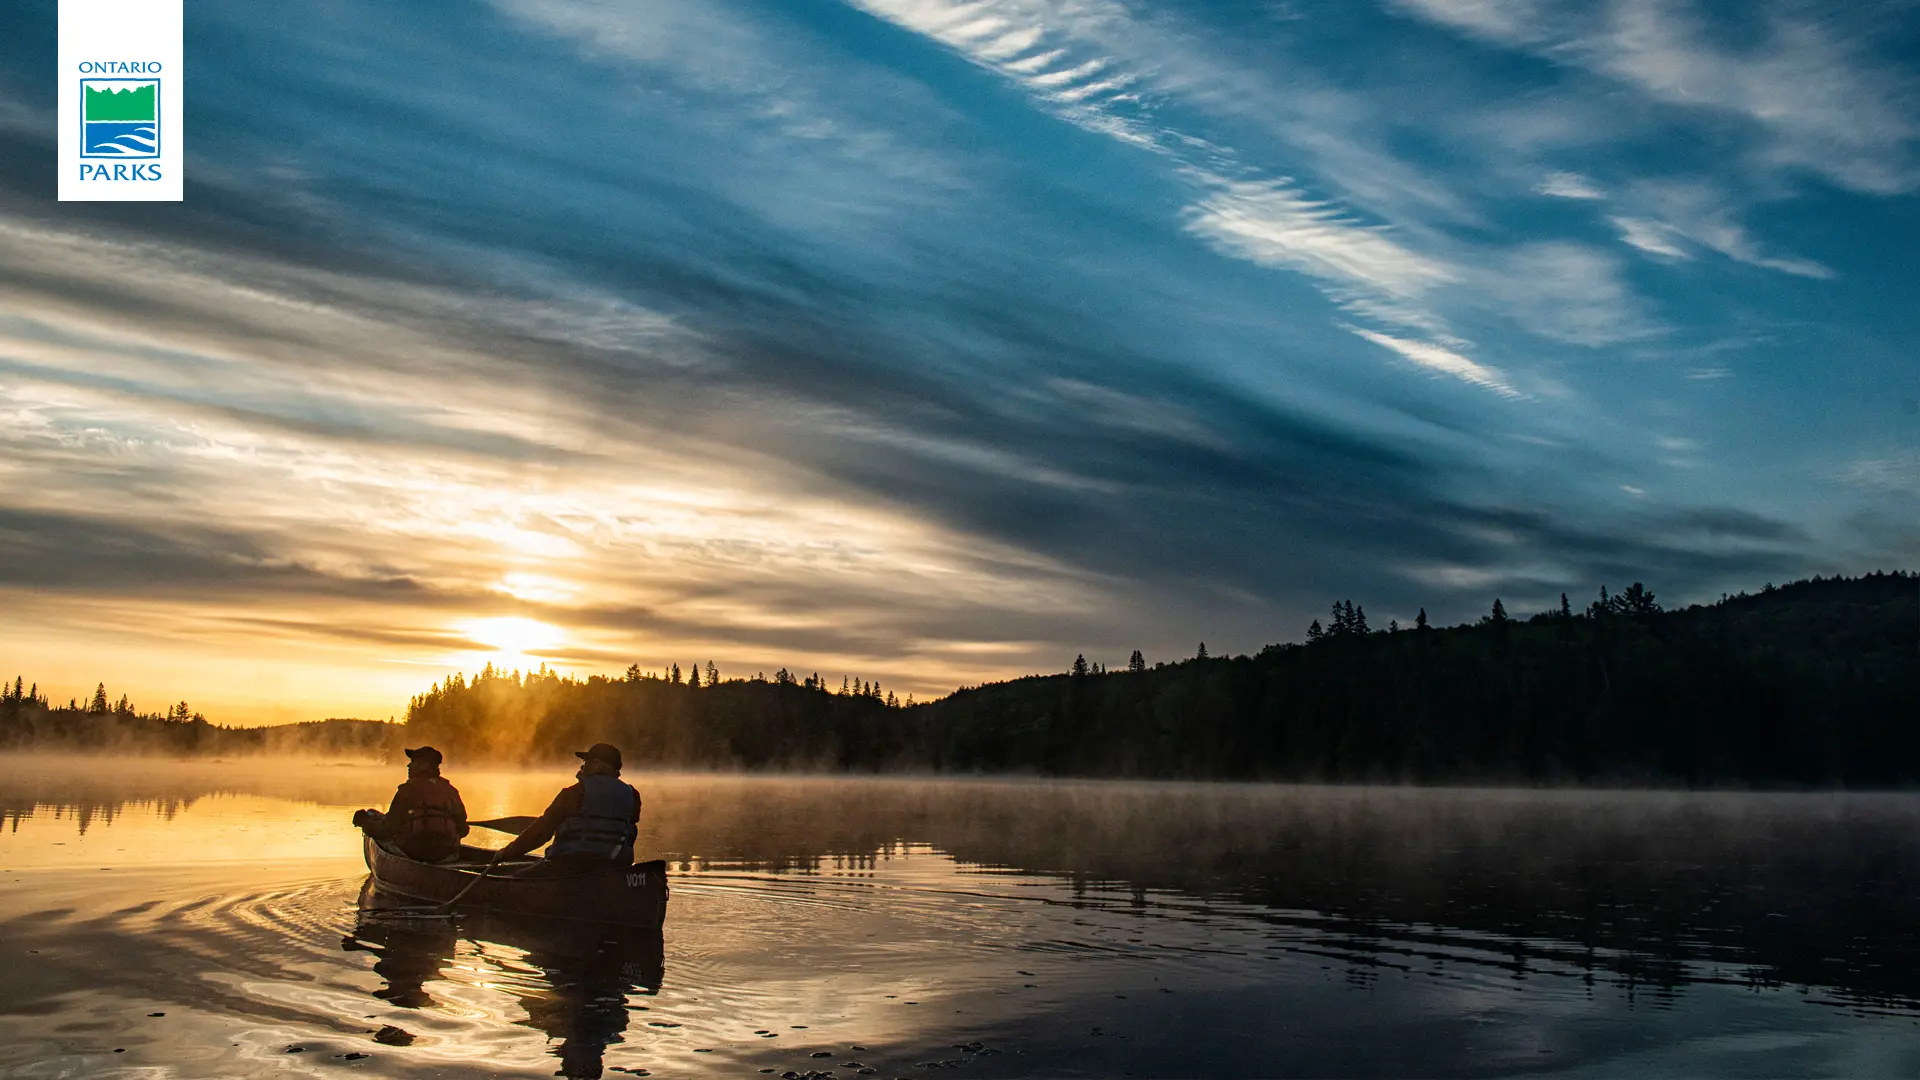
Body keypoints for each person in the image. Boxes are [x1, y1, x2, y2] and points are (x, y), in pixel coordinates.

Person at [493, 743, 640, 878]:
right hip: (614, 867)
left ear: (597, 766)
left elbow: (540, 833)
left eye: (586, 762)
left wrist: (506, 853)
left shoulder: (574, 793)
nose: (583, 766)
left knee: (517, 878)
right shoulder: (632, 795)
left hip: (570, 866)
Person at [352, 745, 470, 863]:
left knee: (381, 839)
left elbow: (388, 828)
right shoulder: (450, 791)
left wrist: (365, 823)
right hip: (446, 854)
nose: (408, 765)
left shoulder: (407, 791)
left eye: (413, 762)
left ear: (424, 766)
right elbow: (464, 830)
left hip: (415, 853)